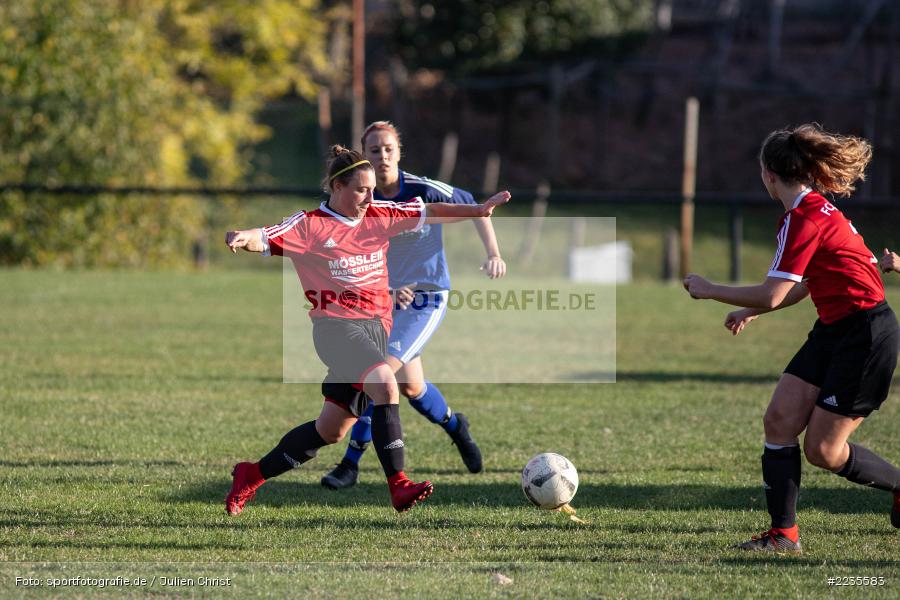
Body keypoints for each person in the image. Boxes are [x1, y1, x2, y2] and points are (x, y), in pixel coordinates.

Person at [223, 145, 511, 515]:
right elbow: (265, 234)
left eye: (373, 188)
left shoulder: (378, 214)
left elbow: (430, 209)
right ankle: (399, 484)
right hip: (336, 330)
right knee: (387, 384)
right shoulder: (310, 225)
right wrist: (241, 236)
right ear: (337, 186)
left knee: (331, 431)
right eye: (362, 189)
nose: (371, 197)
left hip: (376, 331)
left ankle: (251, 475)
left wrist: (477, 210)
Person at [683, 123, 900, 553]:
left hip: (866, 335)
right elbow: (802, 285)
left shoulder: (804, 218)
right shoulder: (809, 211)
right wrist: (751, 309)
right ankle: (784, 535)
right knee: (779, 420)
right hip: (834, 329)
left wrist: (710, 289)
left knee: (823, 450)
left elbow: (774, 290)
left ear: (768, 175)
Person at [320, 121, 506, 490]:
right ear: (364, 157)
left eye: (389, 148)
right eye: (374, 150)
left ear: (399, 151)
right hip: (382, 299)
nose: (383, 155)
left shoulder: (423, 189)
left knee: (379, 373)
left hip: (427, 296)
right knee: (410, 387)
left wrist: (494, 253)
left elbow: (474, 207)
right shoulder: (359, 198)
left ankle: (350, 465)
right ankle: (456, 426)